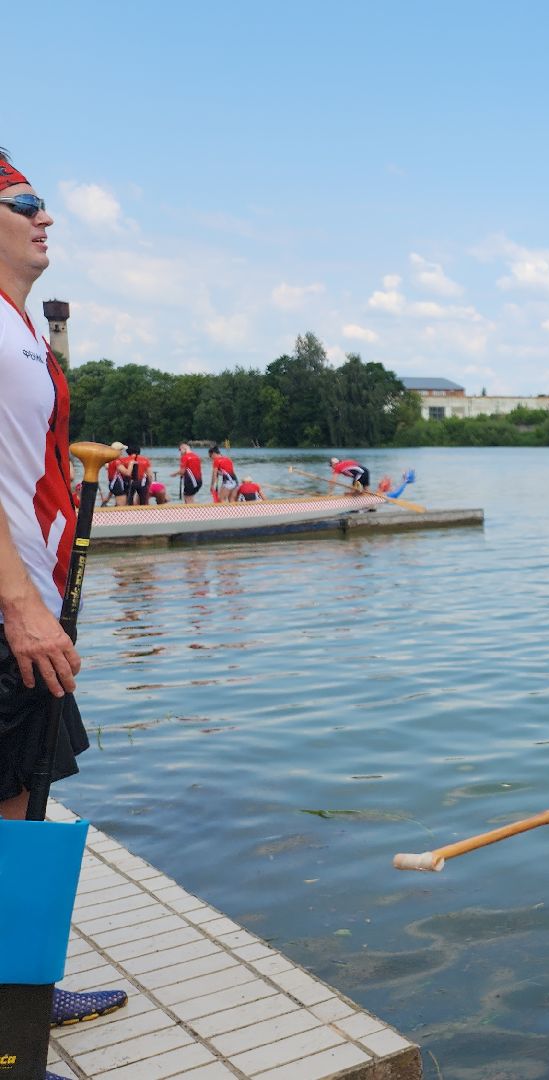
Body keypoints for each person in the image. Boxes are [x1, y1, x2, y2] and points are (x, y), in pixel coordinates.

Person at [0, 147, 128, 1046]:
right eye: (24, 202)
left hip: (23, 593)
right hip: (8, 606)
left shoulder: (21, 329)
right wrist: (18, 603)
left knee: (17, 798)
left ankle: (18, 1000)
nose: (47, 217)